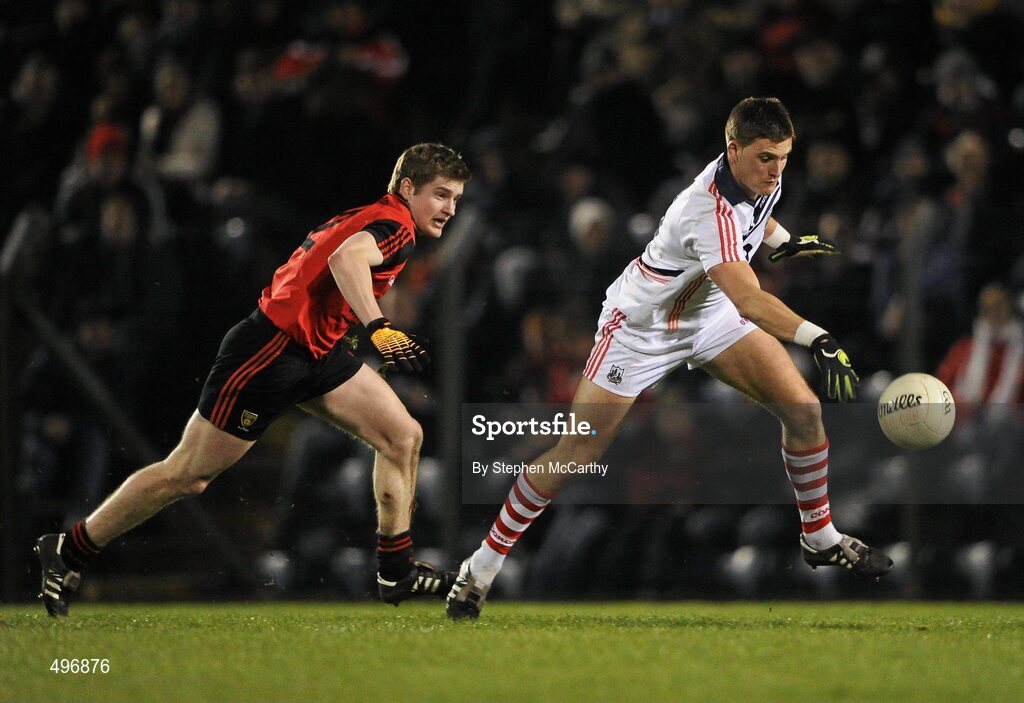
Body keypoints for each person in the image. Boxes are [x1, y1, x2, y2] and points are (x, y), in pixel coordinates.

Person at [446, 98, 893, 619]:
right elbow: (751, 298)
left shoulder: (759, 179)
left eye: (785, 158)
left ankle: (819, 537)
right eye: (766, 158)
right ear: (734, 150)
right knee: (576, 454)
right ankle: (479, 567)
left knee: (804, 410)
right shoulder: (706, 209)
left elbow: (763, 223)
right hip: (641, 328)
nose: (776, 170)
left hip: (709, 318)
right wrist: (819, 339)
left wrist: (790, 242)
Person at [35, 143, 470, 617]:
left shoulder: (378, 214)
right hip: (271, 351)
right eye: (441, 195)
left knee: (403, 436)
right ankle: (69, 548)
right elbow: (345, 260)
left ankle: (395, 570)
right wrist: (378, 327)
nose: (450, 209)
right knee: (187, 475)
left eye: (455, 198)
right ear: (408, 189)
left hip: (316, 350)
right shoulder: (398, 227)